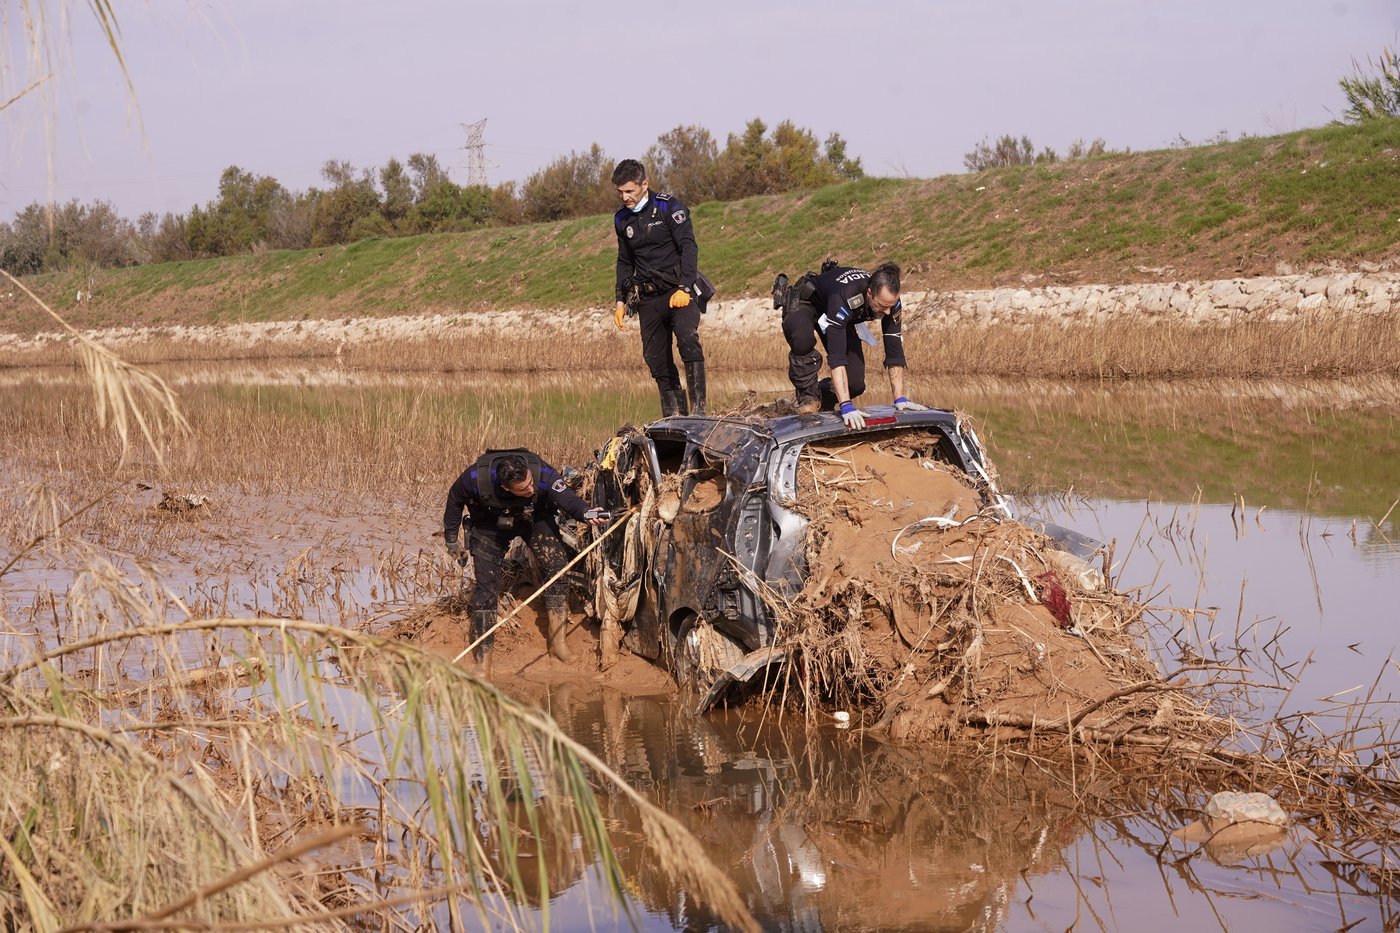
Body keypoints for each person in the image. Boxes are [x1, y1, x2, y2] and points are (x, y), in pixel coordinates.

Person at [443, 449, 607, 662]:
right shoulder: (475, 477)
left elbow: (566, 498)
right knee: (485, 588)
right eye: (523, 489)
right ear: (504, 487)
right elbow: (454, 500)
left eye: (531, 483)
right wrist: (451, 540)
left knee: (558, 569)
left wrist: (586, 512)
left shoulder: (542, 472)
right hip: (489, 525)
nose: (531, 488)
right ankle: (484, 660)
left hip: (534, 519)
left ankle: (558, 644)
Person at [611, 158, 707, 418]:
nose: (625, 197)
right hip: (648, 299)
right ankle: (675, 416)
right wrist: (620, 300)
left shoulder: (668, 206)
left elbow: (689, 246)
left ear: (645, 184)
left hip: (677, 290)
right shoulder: (621, 218)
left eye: (629, 191)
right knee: (656, 359)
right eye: (620, 192)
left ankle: (698, 412)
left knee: (687, 339)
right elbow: (624, 261)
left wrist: (685, 287)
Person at [780, 261, 929, 427]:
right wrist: (846, 405)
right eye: (881, 306)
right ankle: (807, 398)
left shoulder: (891, 303)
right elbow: (836, 358)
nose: (887, 312)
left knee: (855, 384)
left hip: (843, 316)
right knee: (802, 339)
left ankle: (820, 398)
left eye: (890, 307)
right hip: (807, 304)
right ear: (869, 293)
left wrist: (899, 398)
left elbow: (894, 351)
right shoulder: (846, 297)